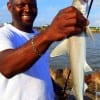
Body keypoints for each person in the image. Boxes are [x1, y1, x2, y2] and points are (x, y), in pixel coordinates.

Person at [0, 0, 88, 100]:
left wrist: (56, 89)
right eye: (21, 5)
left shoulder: (38, 36)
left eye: (32, 5)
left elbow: (40, 70)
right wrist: (48, 34)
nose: (28, 9)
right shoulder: (3, 34)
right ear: (9, 7)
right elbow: (6, 67)